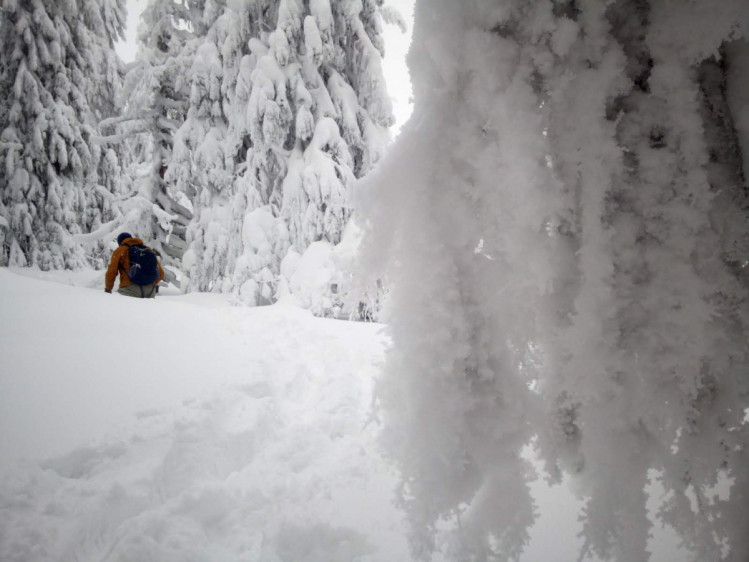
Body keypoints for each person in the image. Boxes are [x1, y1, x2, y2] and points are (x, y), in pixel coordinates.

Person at [105, 232, 164, 298]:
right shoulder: (147, 249)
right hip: (150, 289)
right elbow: (161, 273)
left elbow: (111, 271)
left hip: (130, 289)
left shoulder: (120, 250)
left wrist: (108, 289)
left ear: (120, 242)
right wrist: (149, 282)